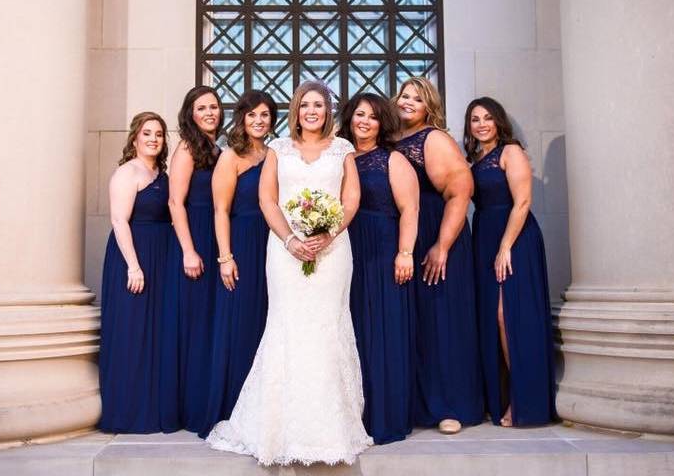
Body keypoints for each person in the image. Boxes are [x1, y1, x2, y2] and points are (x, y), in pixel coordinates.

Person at [207, 81, 373, 465]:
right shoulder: (279, 149)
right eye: (305, 105)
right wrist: (290, 240)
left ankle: (332, 429)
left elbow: (352, 198)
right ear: (296, 110)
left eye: (319, 104)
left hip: (333, 252)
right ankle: (277, 427)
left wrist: (328, 233)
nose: (312, 111)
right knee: (287, 327)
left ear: (327, 110)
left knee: (328, 327)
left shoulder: (343, 149)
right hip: (284, 253)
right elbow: (267, 198)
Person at [394, 77, 484, 434]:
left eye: (418, 98)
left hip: (438, 235)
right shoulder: (394, 139)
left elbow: (460, 192)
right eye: (404, 95)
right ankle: (420, 404)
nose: (409, 102)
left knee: (442, 321)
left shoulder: (433, 138)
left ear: (429, 106)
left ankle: (452, 406)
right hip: (410, 236)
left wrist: (442, 246)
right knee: (419, 324)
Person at [465, 97, 556, 427]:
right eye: (475, 119)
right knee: (493, 319)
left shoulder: (510, 151)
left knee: (510, 317)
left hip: (515, 238)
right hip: (485, 236)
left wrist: (505, 247)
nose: (482, 124)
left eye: (487, 118)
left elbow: (523, 202)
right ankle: (501, 397)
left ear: (498, 121)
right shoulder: (475, 159)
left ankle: (524, 401)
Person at [337, 92, 419, 444]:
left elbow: (410, 209)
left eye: (372, 116)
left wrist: (405, 252)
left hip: (383, 249)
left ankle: (385, 416)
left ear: (381, 122)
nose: (364, 121)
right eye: (359, 115)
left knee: (384, 330)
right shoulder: (339, 157)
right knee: (351, 329)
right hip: (343, 251)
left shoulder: (393, 160)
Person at [199, 90, 278, 438]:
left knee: (268, 323)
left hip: (274, 245)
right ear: (242, 120)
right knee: (241, 322)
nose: (258, 121)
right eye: (251, 115)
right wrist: (225, 257)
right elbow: (221, 210)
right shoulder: (231, 157)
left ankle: (265, 407)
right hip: (243, 244)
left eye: (264, 115)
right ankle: (232, 405)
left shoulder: (277, 154)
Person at [98, 111, 172, 433]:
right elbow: (118, 221)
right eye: (147, 133)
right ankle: (128, 411)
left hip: (162, 258)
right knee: (133, 333)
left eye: (159, 134)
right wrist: (134, 266)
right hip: (134, 259)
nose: (153, 139)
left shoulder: (163, 173)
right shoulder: (127, 172)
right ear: (135, 138)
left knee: (155, 334)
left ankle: (154, 407)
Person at [169, 85, 224, 433]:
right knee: (194, 324)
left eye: (214, 107)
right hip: (195, 240)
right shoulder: (187, 148)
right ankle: (190, 407)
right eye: (202, 107)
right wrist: (189, 250)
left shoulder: (218, 149)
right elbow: (176, 203)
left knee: (209, 323)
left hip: (215, 238)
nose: (209, 112)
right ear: (190, 113)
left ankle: (209, 398)